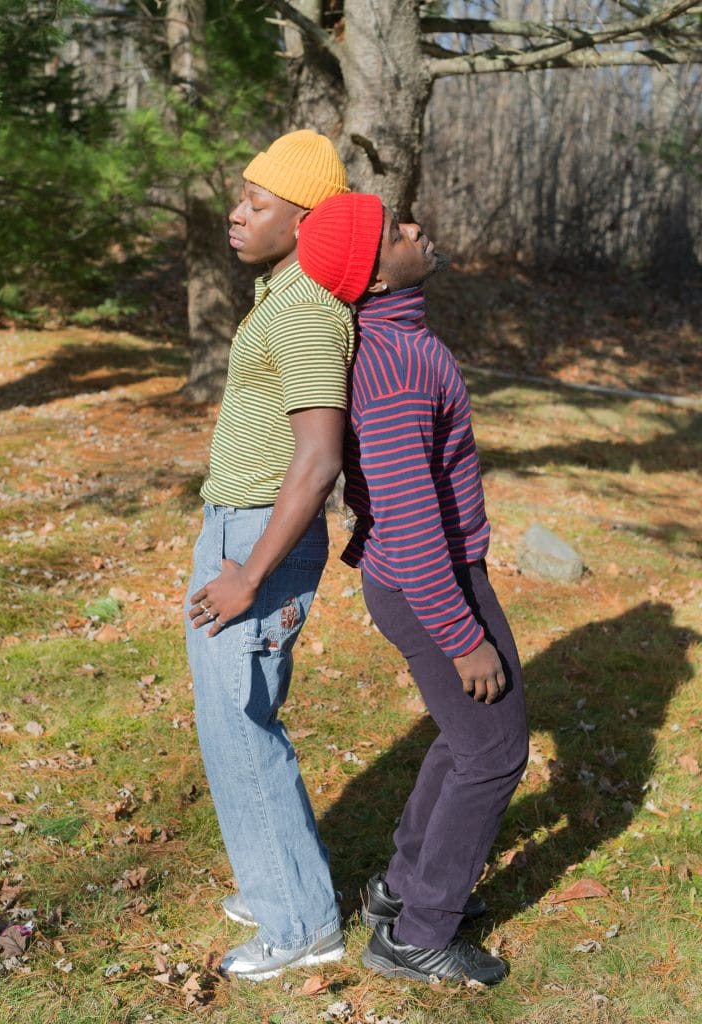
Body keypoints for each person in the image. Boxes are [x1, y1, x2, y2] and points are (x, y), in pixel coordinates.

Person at [297, 193, 529, 986]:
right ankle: (418, 936)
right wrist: (463, 635)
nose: (416, 228)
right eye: (396, 229)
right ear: (372, 273)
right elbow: (411, 516)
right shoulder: (394, 365)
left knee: (468, 741)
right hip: (431, 582)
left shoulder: (402, 340)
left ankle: (401, 892)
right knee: (496, 753)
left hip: (429, 576)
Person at [184, 130, 354, 981]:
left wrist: (248, 571)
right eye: (240, 197)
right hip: (235, 529)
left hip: (259, 541)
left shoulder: (310, 308)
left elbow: (318, 458)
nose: (236, 212)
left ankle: (300, 922)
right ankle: (271, 873)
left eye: (257, 203)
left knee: (241, 725)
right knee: (234, 716)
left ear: (305, 219)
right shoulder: (279, 293)